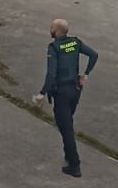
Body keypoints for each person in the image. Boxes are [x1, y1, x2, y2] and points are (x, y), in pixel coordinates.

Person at [33, 18, 98, 179]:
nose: (50, 29)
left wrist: (42, 93)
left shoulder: (54, 47)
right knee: (67, 122)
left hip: (61, 92)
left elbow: (51, 73)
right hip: (75, 90)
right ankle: (69, 156)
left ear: (56, 31)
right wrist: (86, 74)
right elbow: (94, 55)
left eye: (52, 27)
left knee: (66, 128)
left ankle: (74, 165)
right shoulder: (75, 43)